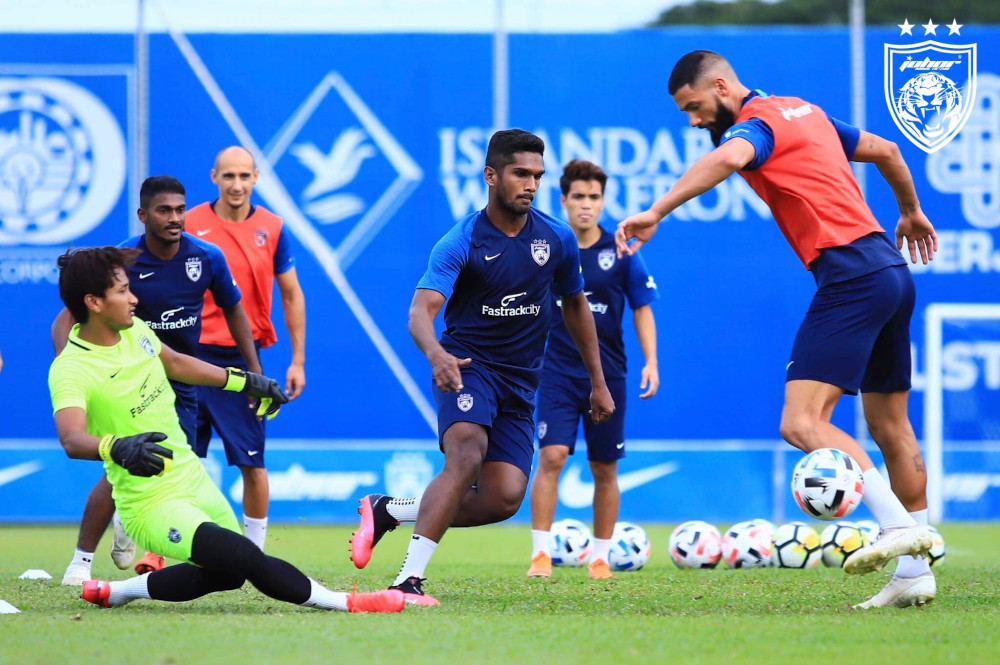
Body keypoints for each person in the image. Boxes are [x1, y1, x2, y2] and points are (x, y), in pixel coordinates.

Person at [615, 50, 938, 609]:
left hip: (851, 276)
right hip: (890, 270)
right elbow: (887, 150)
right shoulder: (805, 111)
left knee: (801, 422)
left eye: (694, 106)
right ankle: (915, 573)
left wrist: (656, 210)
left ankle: (897, 527)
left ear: (721, 85)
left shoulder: (755, 125)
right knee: (891, 425)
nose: (693, 120)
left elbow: (729, 157)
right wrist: (909, 210)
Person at [48, 246, 403, 614]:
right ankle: (349, 602)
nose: (134, 298)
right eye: (122, 291)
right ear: (93, 302)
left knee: (230, 573)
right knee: (246, 557)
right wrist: (116, 447)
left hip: (192, 478)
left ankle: (117, 592)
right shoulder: (71, 368)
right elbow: (71, 438)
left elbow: (175, 362)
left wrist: (245, 381)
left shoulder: (135, 330)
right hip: (149, 504)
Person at [347, 129, 615, 606]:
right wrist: (437, 355)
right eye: (520, 174)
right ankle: (407, 581)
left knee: (503, 498)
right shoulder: (462, 240)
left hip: (521, 381)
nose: (530, 184)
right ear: (491, 176)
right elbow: (420, 312)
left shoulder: (556, 238)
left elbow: (575, 306)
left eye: (537, 176)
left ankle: (390, 510)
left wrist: (598, 381)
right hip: (467, 366)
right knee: (467, 454)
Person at [54, 176, 262, 586]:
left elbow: (233, 310)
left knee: (169, 468)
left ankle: (157, 544)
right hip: (130, 380)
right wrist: (76, 370)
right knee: (120, 465)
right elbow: (66, 319)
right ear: (143, 215)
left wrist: (251, 375)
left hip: (179, 380)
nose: (175, 218)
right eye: (164, 210)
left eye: (180, 210)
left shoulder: (206, 257)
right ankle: (81, 562)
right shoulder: (122, 261)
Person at [526, 159, 659, 580]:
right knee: (551, 457)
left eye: (594, 197)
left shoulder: (620, 251)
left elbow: (641, 306)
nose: (587, 204)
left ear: (603, 202)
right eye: (579, 197)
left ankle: (600, 558)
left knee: (604, 467)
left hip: (609, 375)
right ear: (563, 200)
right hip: (556, 372)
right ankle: (540, 555)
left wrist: (652, 362)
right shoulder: (546, 249)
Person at [185, 146, 307, 551]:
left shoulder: (272, 227)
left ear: (255, 178)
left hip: (242, 360)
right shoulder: (188, 223)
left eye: (243, 176)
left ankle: (254, 552)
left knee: (252, 462)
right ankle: (157, 550)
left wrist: (297, 361)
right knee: (179, 460)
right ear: (214, 177)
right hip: (188, 355)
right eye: (228, 176)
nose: (236, 185)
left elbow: (291, 294)